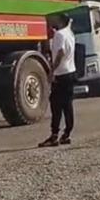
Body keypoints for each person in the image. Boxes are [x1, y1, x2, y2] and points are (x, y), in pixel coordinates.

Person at [39, 13, 77, 147]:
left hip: (61, 74)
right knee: (67, 105)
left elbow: (60, 52)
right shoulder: (70, 33)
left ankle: (54, 135)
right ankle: (67, 134)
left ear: (60, 20)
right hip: (70, 72)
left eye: (55, 18)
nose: (52, 20)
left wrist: (52, 71)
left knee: (56, 105)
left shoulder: (59, 34)